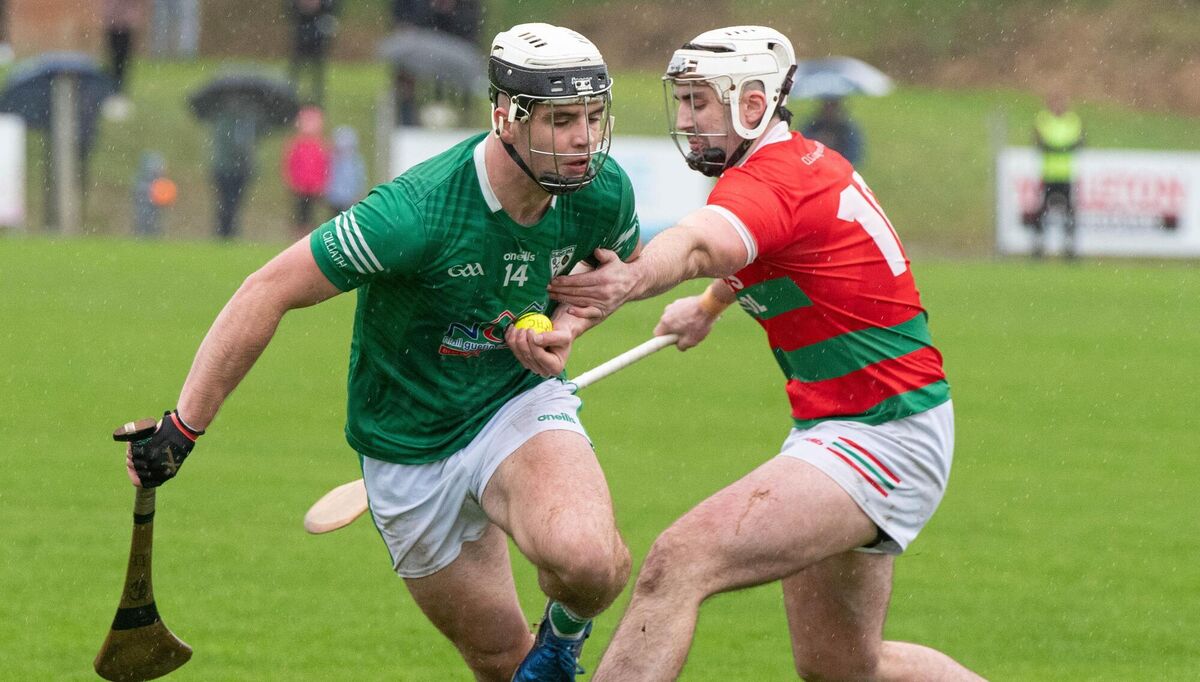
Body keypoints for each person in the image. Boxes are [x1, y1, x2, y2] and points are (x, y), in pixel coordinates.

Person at [122, 23, 639, 682]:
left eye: (594, 118)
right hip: (405, 452)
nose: (584, 139)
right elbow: (267, 291)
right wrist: (185, 424)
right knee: (501, 662)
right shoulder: (415, 214)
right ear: (507, 118)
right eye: (563, 120)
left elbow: (614, 274)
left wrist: (564, 327)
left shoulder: (601, 191)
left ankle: (562, 643)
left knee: (589, 565)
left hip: (515, 404)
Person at [545, 26, 983, 681]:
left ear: (753, 104)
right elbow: (765, 251)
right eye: (684, 101)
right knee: (843, 669)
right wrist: (709, 306)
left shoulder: (771, 182)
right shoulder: (789, 167)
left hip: (882, 433)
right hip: (858, 424)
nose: (688, 120)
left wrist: (630, 281)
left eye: (701, 102)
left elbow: (697, 246)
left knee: (678, 561)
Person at [1032, 92, 1084, 258]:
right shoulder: (1044, 120)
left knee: (1069, 211)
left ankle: (1069, 247)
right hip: (1048, 173)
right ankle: (1039, 246)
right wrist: (1061, 148)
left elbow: (1078, 142)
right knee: (1041, 211)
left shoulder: (1072, 121)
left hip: (1065, 174)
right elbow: (1039, 142)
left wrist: (1055, 147)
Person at [209, 103, 258, 239]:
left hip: (229, 169)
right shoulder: (234, 122)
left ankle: (226, 231)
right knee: (229, 202)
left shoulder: (223, 120)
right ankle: (226, 231)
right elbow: (238, 148)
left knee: (229, 202)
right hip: (231, 169)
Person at [281, 105, 330, 238]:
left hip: (314, 188)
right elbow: (290, 165)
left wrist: (321, 184)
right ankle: (300, 236)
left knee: (311, 214)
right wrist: (292, 181)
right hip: (300, 187)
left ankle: (309, 237)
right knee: (300, 214)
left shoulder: (320, 145)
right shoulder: (297, 144)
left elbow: (324, 166)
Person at [286, 0, 338, 106]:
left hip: (317, 36)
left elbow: (332, 9)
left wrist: (319, 6)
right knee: (296, 68)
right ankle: (290, 95)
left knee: (317, 69)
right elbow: (289, 9)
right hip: (301, 34)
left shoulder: (324, 8)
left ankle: (318, 98)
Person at [102, 0, 146, 119]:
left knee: (123, 61)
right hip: (113, 24)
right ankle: (112, 92)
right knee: (113, 61)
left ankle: (119, 93)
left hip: (126, 25)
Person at [801, 96, 863, 165]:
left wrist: (836, 145)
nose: (830, 110)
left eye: (833, 106)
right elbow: (802, 148)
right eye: (827, 107)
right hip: (815, 167)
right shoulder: (813, 125)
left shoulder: (846, 128)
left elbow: (853, 154)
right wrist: (818, 142)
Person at [324, 125, 367, 215]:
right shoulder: (332, 159)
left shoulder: (356, 161)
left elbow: (359, 178)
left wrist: (358, 193)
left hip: (349, 198)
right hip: (334, 198)